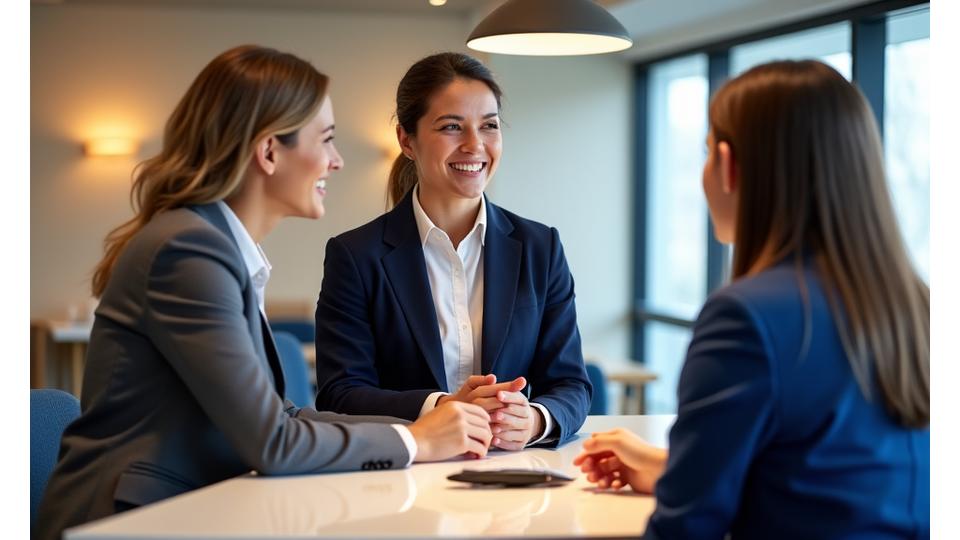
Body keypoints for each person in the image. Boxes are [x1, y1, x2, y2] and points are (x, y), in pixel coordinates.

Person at [36, 45, 493, 540]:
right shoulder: (187, 252)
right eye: (327, 140)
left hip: (192, 504)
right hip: (131, 519)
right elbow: (274, 443)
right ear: (270, 151)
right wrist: (416, 441)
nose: (336, 162)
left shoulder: (210, 245)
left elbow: (281, 418)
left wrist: (435, 417)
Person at [574, 59, 929, 538]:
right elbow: (832, 477)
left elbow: (686, 530)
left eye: (704, 153)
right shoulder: (918, 305)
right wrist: (673, 469)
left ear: (727, 163)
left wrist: (684, 485)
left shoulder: (747, 317)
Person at [313, 52, 592, 450]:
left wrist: (533, 419)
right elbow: (340, 393)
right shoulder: (356, 255)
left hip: (515, 477)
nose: (475, 145)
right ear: (407, 140)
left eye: (489, 126)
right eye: (451, 127)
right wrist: (442, 407)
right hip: (404, 476)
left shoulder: (540, 248)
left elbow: (571, 383)